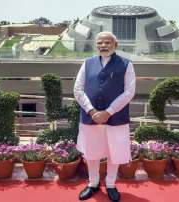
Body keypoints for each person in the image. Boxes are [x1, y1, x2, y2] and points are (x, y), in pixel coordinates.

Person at [74, 31, 136, 202]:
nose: (103, 45)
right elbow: (78, 90)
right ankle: (93, 183)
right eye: (100, 43)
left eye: (107, 42)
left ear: (115, 45)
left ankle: (110, 184)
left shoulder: (126, 64)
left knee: (114, 151)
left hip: (116, 117)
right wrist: (92, 111)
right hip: (91, 117)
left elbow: (129, 92)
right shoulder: (87, 63)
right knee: (92, 152)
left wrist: (109, 111)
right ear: (96, 45)